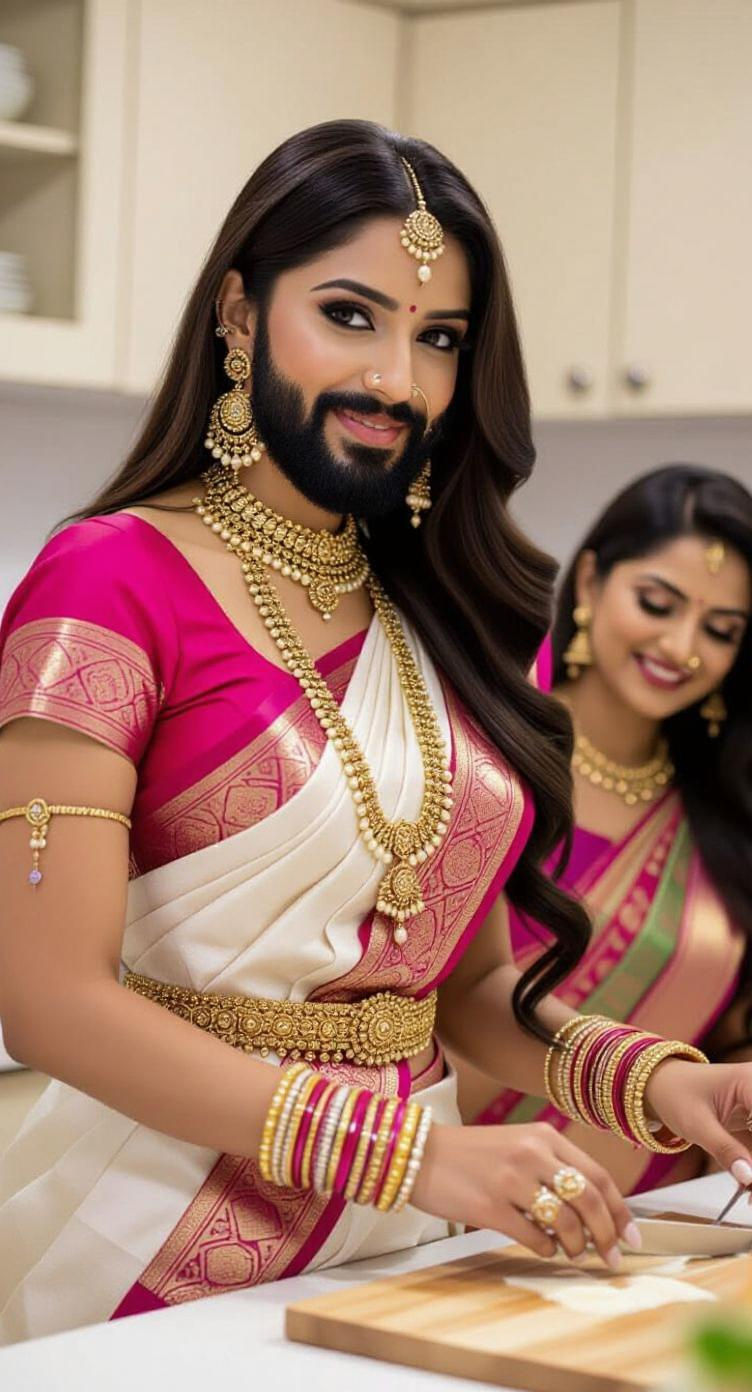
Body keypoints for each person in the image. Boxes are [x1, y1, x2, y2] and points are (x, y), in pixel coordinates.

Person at [1, 123, 752, 1345]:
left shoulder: (438, 613)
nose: (398, 381)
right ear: (238, 315)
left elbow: (457, 989)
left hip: (394, 1260)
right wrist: (412, 1154)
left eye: (437, 338)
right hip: (139, 1249)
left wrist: (666, 1079)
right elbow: (48, 1002)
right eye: (349, 315)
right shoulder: (109, 581)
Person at [462, 465, 752, 1193]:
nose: (683, 646)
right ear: (590, 582)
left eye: (721, 630)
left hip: (656, 1222)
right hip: (456, 1193)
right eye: (657, 603)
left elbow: (730, 1039)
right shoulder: (487, 749)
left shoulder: (727, 810)